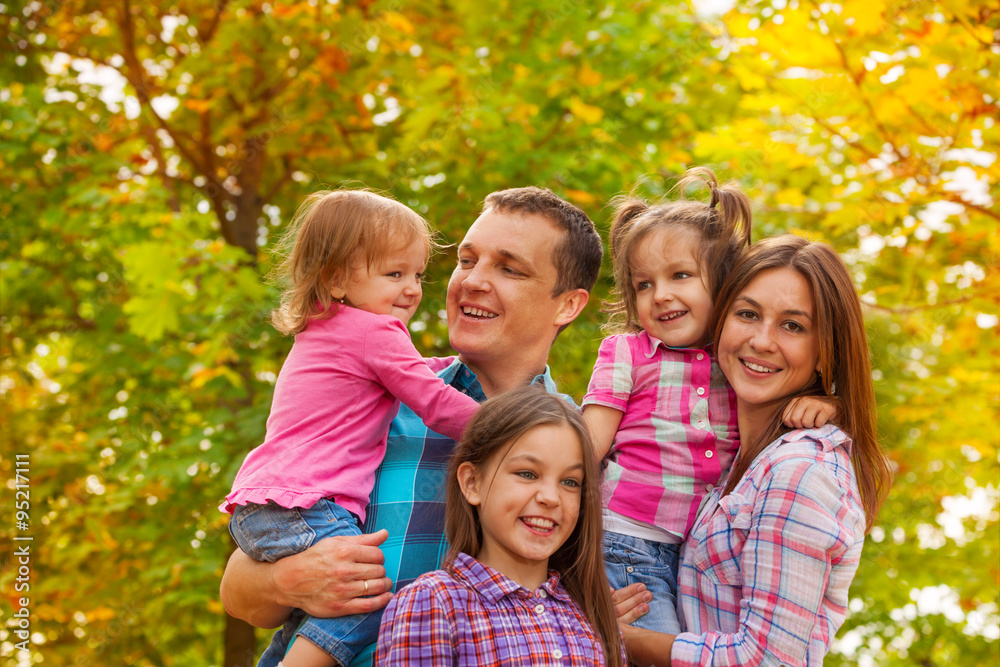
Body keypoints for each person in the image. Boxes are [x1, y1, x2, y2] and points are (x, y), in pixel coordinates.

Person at [219, 186, 607, 666]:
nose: (472, 282)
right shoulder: (372, 398)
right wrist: (283, 581)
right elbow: (238, 589)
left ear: (567, 305)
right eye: (467, 261)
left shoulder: (576, 447)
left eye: (508, 268)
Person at [220, 190, 481, 667]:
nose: (412, 289)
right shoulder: (377, 332)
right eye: (394, 274)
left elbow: (410, 373)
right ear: (338, 278)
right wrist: (500, 423)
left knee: (320, 610)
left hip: (266, 504)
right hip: (309, 503)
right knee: (371, 594)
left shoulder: (326, 329)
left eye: (418, 274)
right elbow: (437, 404)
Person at [617, 234, 894, 666]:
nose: (762, 341)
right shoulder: (727, 458)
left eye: (793, 325)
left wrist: (619, 635)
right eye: (747, 314)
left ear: (825, 352)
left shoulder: (798, 470)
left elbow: (767, 660)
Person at [582, 169, 834, 634]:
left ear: (724, 285)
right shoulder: (628, 353)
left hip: (689, 557)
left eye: (680, 275)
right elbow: (585, 448)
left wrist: (823, 404)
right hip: (624, 546)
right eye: (643, 284)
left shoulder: (738, 362)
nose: (661, 295)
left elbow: (785, 403)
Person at [375, 385, 625, 666]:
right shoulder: (433, 604)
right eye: (527, 474)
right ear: (472, 483)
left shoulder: (591, 613)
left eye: (569, 482)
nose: (550, 498)